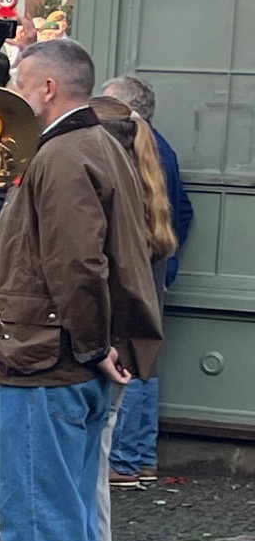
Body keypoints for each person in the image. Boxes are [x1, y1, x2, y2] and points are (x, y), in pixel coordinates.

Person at [0, 40, 162, 541]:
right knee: (73, 511)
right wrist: (100, 343)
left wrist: (89, 343)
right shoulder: (102, 143)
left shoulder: (60, 153)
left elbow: (77, 265)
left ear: (47, 88)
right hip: (69, 358)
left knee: (38, 513)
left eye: (22, 83)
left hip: (43, 360)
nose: (15, 97)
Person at [101, 75, 191, 487]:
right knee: (144, 362)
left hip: (136, 267)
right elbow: (183, 210)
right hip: (154, 265)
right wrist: (165, 256)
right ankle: (139, 457)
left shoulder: (134, 148)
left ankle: (125, 460)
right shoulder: (162, 147)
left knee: (131, 359)